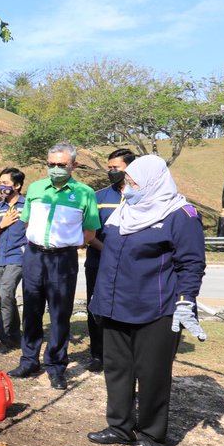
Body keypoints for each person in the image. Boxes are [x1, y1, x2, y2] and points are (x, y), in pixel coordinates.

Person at [86, 154, 207, 446]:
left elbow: (191, 263)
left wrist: (185, 301)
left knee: (152, 373)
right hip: (115, 305)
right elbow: (110, 256)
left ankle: (152, 434)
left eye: (132, 182)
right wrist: (100, 298)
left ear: (153, 182)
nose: (126, 187)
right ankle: (120, 426)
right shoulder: (127, 210)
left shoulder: (181, 214)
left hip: (157, 307)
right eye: (127, 182)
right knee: (117, 369)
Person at [8, 142, 100, 390]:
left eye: (61, 165)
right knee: (32, 311)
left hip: (63, 259)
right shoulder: (37, 189)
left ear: (74, 165)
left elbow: (90, 232)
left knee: (60, 314)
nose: (56, 169)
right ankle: (29, 360)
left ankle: (56, 366)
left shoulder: (85, 193)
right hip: (35, 256)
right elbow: (26, 223)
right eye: (51, 165)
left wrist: (65, 244)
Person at [84, 148, 136, 372]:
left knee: (127, 309)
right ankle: (98, 355)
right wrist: (108, 252)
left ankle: (125, 355)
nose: (111, 172)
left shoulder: (142, 196)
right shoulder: (99, 197)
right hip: (99, 263)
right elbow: (89, 232)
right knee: (96, 308)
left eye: (116, 168)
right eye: (109, 168)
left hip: (132, 266)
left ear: (130, 168)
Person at [0, 167, 27, 350]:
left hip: (18, 257)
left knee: (7, 293)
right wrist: (2, 225)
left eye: (6, 183)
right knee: (5, 298)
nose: (2, 186)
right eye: (0, 183)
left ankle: (2, 338)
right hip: (0, 259)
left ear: (17, 185)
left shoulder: (27, 206)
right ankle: (16, 336)